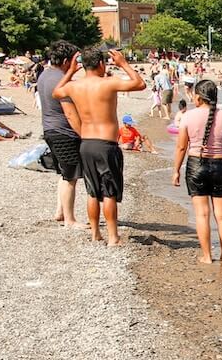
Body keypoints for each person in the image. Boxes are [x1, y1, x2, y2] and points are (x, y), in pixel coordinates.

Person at [54, 46, 147, 247]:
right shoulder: (108, 83)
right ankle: (113, 237)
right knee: (109, 192)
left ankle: (95, 233)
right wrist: (123, 64)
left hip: (86, 143)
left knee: (92, 191)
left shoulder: (74, 86)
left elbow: (56, 92)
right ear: (102, 64)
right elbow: (140, 84)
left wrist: (70, 71)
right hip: (106, 144)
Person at [171, 79, 222, 264]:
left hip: (196, 166)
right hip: (220, 166)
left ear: (197, 97)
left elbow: (181, 147)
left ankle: (207, 256)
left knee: (202, 214)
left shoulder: (188, 117)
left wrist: (176, 170)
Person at [36, 41, 83, 226]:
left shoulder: (45, 75)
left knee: (64, 173)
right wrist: (83, 134)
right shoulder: (60, 81)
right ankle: (70, 220)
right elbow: (70, 114)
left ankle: (60, 212)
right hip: (64, 132)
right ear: (66, 61)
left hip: (49, 130)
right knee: (71, 177)